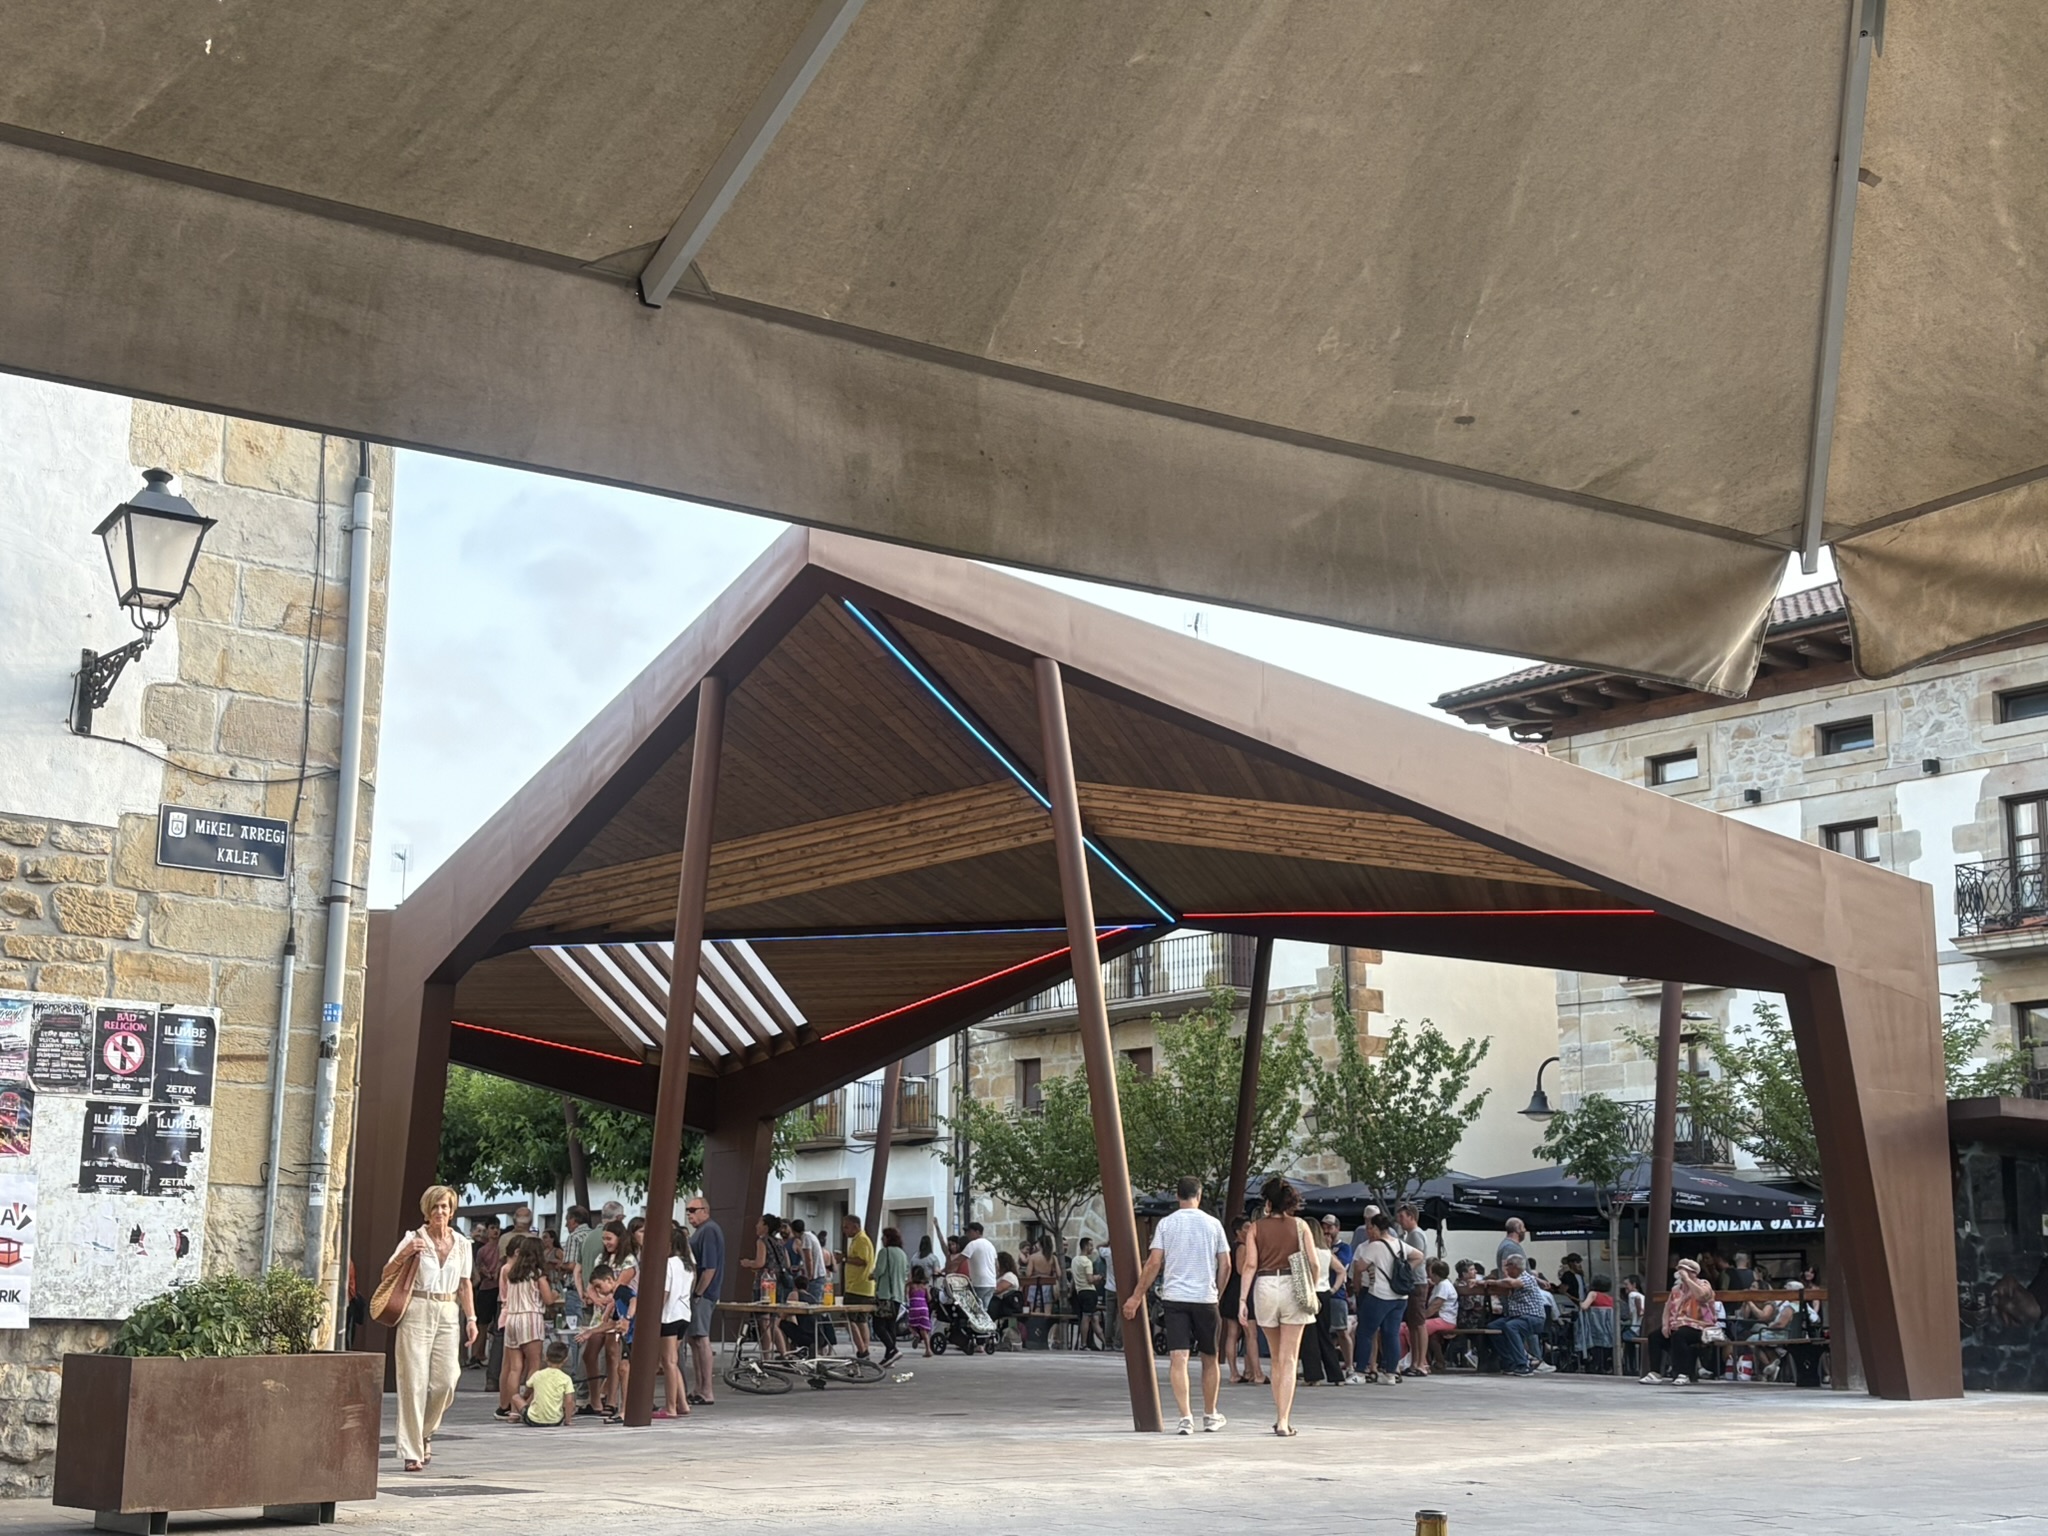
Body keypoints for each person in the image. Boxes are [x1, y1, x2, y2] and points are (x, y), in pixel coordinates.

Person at [1125, 1176, 1232, 1434]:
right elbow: (1226, 1264)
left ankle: (1185, 1417)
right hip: (1205, 1297)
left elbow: (1154, 1262)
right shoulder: (1213, 1224)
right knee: (1210, 1357)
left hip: (1175, 1297)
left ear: (1177, 1195)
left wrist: (1137, 1296)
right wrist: (1217, 1292)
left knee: (1178, 1357)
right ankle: (1210, 1414)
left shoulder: (1166, 1224)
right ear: (1200, 1195)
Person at [390, 1185, 478, 1473]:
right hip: (417, 1308)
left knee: (446, 1381)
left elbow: (465, 1284)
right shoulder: (413, 1238)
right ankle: (411, 1450)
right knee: (413, 1381)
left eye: (445, 1207)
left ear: (452, 1212)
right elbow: (387, 1271)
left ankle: (425, 1431)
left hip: (448, 1310)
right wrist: (405, 1254)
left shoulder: (462, 1243)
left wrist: (472, 1319)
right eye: (435, 1207)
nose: (440, 1212)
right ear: (426, 1211)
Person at [1238, 1175, 1319, 1437]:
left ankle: (1278, 1415)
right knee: (1290, 1358)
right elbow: (1314, 1262)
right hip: (1293, 1284)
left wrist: (1242, 1300)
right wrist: (1311, 1286)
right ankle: (1284, 1420)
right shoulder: (1300, 1226)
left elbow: (1250, 1265)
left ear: (1268, 1203)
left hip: (1264, 1286)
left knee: (1275, 1358)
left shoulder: (1255, 1228)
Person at [494, 1234, 558, 1419]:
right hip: (530, 1318)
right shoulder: (537, 1275)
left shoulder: (512, 1274)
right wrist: (554, 1294)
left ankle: (513, 1410)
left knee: (515, 1368)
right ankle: (528, 1404)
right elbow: (548, 1299)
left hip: (512, 1319)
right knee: (533, 1364)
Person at [1353, 1213, 1411, 1386]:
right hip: (1400, 1296)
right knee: (1391, 1334)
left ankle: (1360, 1372)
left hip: (1379, 1293)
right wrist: (1402, 1270)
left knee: (1365, 1332)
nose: (1369, 1231)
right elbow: (1418, 1255)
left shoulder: (1375, 1246)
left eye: (1371, 1228)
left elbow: (1360, 1266)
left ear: (1377, 1228)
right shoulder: (1400, 1243)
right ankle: (1390, 1373)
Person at [1475, 1253, 1549, 1376]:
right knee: (1493, 1327)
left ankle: (1522, 1364)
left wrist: (1489, 1281)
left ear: (1514, 1266)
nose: (1505, 1269)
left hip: (1532, 1317)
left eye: (1507, 1266)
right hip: (1516, 1317)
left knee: (1511, 1327)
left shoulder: (1527, 1278)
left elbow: (1512, 1284)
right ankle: (1509, 1362)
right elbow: (1506, 1283)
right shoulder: (1514, 1279)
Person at [650, 1219, 695, 1418]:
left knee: (668, 1362)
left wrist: (653, 1314)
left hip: (668, 1315)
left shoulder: (669, 1264)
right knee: (673, 1360)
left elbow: (665, 1293)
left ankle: (670, 1407)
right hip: (684, 1314)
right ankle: (682, 1403)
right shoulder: (689, 1266)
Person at [1651, 1257, 1716, 1385]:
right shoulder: (1676, 1289)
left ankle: (1683, 1373)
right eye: (1679, 1270)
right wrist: (1665, 1325)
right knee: (1654, 1336)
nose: (1680, 1273)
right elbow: (1667, 1307)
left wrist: (1687, 1280)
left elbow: (1701, 1296)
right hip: (1678, 1325)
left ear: (1693, 1273)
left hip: (1700, 1326)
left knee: (1679, 1336)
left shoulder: (1704, 1284)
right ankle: (1655, 1373)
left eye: (1684, 1270)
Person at [684, 1195, 723, 1405]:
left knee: (701, 1338)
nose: (689, 1214)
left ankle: (706, 1390)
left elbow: (710, 1267)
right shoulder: (702, 1231)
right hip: (700, 1292)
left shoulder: (709, 1230)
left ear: (705, 1211)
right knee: (694, 1339)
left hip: (704, 1294)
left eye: (693, 1210)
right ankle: (699, 1388)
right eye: (687, 1210)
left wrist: (698, 1293)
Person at [1299, 1214, 1347, 1386]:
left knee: (1309, 1336)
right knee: (1325, 1335)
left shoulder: (1303, 1252)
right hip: (1325, 1293)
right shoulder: (1326, 1252)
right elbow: (1341, 1270)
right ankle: (1336, 1375)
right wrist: (1334, 1288)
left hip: (1309, 1292)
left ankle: (1313, 1375)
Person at [1219, 1218, 1264, 1386]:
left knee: (1233, 1333)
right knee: (1250, 1333)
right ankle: (1256, 1372)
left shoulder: (1231, 1247)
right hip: (1242, 1292)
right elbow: (1241, 1269)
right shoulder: (1242, 1247)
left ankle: (1239, 1372)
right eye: (1247, 1227)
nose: (1250, 1230)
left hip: (1231, 1292)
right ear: (1238, 1232)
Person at [514, 1339, 577, 1427]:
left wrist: (525, 1399)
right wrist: (568, 1420)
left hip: (533, 1420)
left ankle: (516, 1415)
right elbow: (569, 1401)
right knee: (570, 1400)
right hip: (556, 1421)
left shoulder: (537, 1375)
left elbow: (528, 1391)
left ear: (546, 1357)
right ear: (565, 1360)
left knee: (516, 1397)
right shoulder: (566, 1378)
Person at [840, 1214, 878, 1357]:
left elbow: (863, 1260)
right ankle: (864, 1349)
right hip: (864, 1288)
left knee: (848, 1319)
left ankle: (862, 1349)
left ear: (855, 1227)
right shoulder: (859, 1240)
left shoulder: (861, 1240)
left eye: (846, 1227)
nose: (844, 1230)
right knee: (861, 1320)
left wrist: (844, 1258)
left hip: (857, 1287)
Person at [873, 1225, 909, 1367]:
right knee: (891, 1325)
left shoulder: (885, 1252)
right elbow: (905, 1273)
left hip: (885, 1294)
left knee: (878, 1325)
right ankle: (889, 1356)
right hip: (898, 1294)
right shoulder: (902, 1254)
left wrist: (872, 1275)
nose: (882, 1240)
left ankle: (892, 1350)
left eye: (883, 1237)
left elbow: (879, 1271)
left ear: (888, 1238)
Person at [469, 1217, 502, 1370]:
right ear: (487, 1231)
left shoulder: (503, 1247)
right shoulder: (482, 1250)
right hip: (486, 1288)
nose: (495, 1231)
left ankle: (495, 1357)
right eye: (492, 1228)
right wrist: (485, 1272)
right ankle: (477, 1354)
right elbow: (478, 1266)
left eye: (497, 1228)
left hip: (500, 1288)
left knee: (498, 1325)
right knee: (482, 1323)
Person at [1417, 1259, 1458, 1370]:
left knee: (1417, 1328)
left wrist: (1420, 1318)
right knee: (1404, 1328)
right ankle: (1407, 1359)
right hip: (1439, 1319)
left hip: (1446, 1320)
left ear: (1435, 1274)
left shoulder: (1444, 1286)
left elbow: (1435, 1306)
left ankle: (1421, 1362)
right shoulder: (1439, 1284)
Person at [1072, 1235, 1102, 1351]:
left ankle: (1105, 1342)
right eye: (1090, 1245)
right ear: (1085, 1246)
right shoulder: (1087, 1262)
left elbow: (1074, 1278)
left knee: (1094, 1319)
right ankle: (1083, 1343)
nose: (1092, 1248)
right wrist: (1098, 1277)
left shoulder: (1074, 1260)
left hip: (1080, 1291)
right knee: (1087, 1318)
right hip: (1089, 1291)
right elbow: (1090, 1279)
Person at [962, 1221, 999, 1308]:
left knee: (975, 1309)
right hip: (991, 1283)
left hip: (979, 1282)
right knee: (984, 1309)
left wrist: (950, 1269)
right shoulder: (990, 1245)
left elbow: (959, 1260)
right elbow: (997, 1265)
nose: (967, 1234)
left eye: (969, 1231)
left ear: (977, 1232)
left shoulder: (973, 1244)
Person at [906, 1265, 935, 1355]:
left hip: (914, 1307)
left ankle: (915, 1335)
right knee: (924, 1330)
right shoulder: (924, 1286)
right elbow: (929, 1298)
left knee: (910, 1325)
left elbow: (906, 1296)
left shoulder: (911, 1285)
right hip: (924, 1308)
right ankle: (928, 1350)